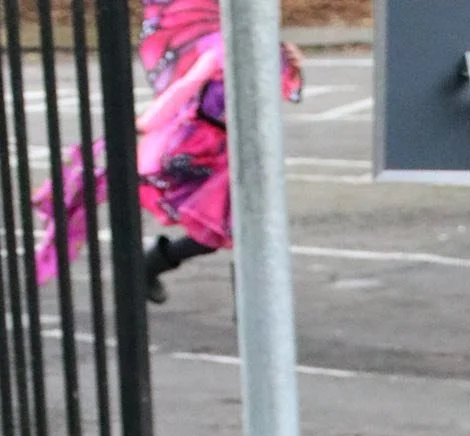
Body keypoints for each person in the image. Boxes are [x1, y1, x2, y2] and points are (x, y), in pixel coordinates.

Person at [31, 2, 302, 304]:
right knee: (230, 226)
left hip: (235, 153)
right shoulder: (220, 51)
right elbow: (184, 88)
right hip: (195, 148)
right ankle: (248, 309)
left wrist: (292, 64)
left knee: (233, 228)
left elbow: (283, 93)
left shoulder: (271, 54)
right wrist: (146, 123)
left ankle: (157, 267)